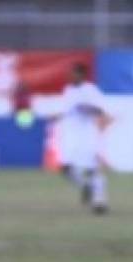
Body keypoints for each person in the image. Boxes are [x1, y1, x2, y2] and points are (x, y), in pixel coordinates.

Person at [57, 62, 110, 214]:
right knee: (66, 169)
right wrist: (57, 116)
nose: (70, 76)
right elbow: (67, 110)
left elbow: (100, 110)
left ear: (81, 75)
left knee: (93, 169)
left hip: (87, 135)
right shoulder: (68, 90)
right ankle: (85, 186)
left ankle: (100, 202)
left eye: (73, 73)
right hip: (71, 135)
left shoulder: (91, 90)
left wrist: (86, 108)